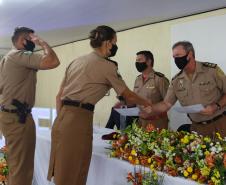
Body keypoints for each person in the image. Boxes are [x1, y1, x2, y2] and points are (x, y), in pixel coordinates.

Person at [47, 25, 151, 185]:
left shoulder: (76, 62)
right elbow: (128, 95)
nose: (116, 46)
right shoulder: (107, 66)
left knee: (63, 171)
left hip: (61, 119)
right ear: (108, 43)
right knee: (75, 172)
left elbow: (58, 96)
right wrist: (146, 103)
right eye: (115, 42)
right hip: (78, 119)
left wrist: (63, 120)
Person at [0, 27, 60, 185]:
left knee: (16, 164)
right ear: (22, 41)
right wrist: (43, 43)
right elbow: (53, 61)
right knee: (22, 167)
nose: (34, 41)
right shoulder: (20, 55)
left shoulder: (7, 58)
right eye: (32, 38)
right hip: (18, 118)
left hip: (10, 116)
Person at [140, 41, 226, 137]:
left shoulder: (211, 71)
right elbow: (166, 104)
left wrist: (216, 106)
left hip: (220, 124)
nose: (176, 59)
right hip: (197, 128)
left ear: (189, 54)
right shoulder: (176, 80)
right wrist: (151, 109)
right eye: (174, 57)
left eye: (178, 55)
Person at [134, 50, 169, 129]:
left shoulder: (160, 79)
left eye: (139, 60)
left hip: (157, 123)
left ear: (148, 62)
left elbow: (168, 102)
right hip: (140, 122)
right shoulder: (138, 79)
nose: (137, 63)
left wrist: (154, 108)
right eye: (136, 60)